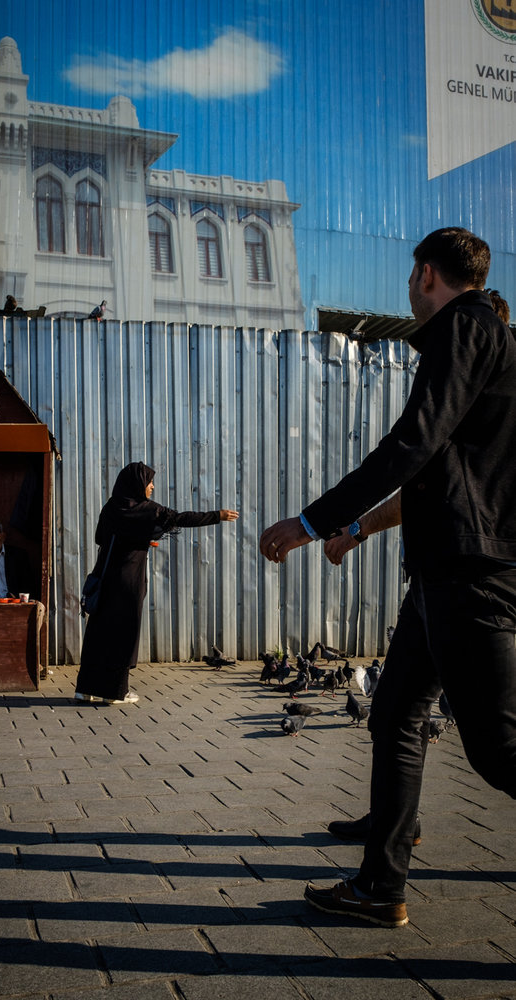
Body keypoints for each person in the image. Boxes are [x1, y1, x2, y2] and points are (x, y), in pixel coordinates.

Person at [260, 228, 516, 927]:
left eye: (411, 278)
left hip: (468, 577)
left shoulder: (463, 330)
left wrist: (309, 523)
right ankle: (382, 883)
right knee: (397, 715)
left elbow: (412, 443)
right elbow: (436, 474)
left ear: (425, 274)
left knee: (499, 752)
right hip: (442, 575)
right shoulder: (482, 344)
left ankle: (382, 879)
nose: (408, 289)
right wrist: (354, 529)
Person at [75, 461, 239, 706]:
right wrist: (218, 516)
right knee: (123, 635)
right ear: (139, 484)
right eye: (149, 482)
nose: (151, 487)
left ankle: (85, 689)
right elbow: (181, 518)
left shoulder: (111, 506)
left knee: (99, 632)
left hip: (106, 577)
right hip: (129, 581)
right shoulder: (148, 510)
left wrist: (131, 538)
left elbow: (101, 537)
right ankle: (115, 692)